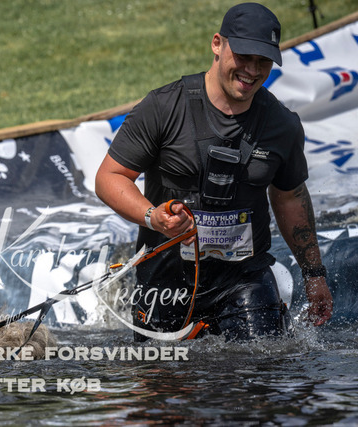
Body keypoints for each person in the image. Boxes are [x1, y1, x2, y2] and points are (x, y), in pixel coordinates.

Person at [95, 2, 333, 340]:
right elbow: (109, 177)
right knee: (158, 372)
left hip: (245, 279)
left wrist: (314, 275)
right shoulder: (163, 107)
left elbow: (290, 198)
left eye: (263, 61)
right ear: (217, 44)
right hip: (165, 281)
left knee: (262, 366)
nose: (252, 70)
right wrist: (153, 217)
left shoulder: (282, 125)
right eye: (244, 56)